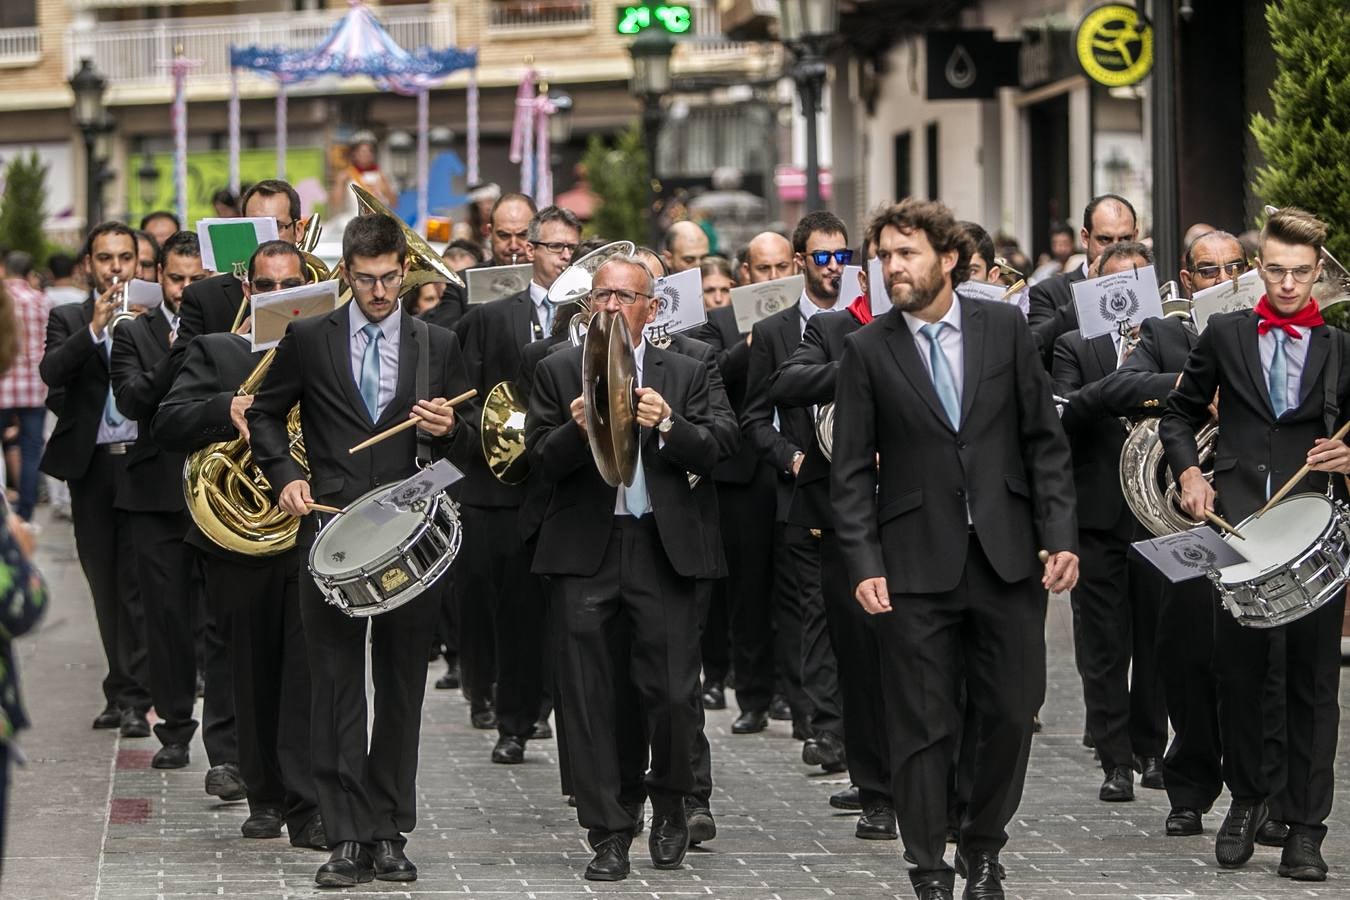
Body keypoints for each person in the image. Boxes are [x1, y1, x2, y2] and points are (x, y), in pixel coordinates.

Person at [832, 199, 1078, 900]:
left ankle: (983, 845)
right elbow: (849, 473)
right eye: (883, 256)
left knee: (1009, 711)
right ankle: (928, 865)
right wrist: (864, 563)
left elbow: (1044, 446)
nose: (891, 267)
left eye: (905, 253)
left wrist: (1059, 536)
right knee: (921, 722)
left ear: (948, 259)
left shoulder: (1003, 327)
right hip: (912, 563)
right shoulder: (867, 349)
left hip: (1006, 557)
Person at [247, 212, 475, 887]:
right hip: (331, 535)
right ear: (346, 272)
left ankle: (388, 828)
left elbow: (464, 457)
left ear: (406, 271)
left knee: (403, 687)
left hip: (410, 540)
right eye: (366, 278)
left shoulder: (436, 342)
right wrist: (287, 478)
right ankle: (345, 834)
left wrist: (450, 431)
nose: (379, 291)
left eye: (389, 278)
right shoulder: (310, 336)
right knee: (336, 686)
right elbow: (263, 410)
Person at [1079, 229, 1290, 844]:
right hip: (1192, 519)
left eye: (1232, 269)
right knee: (1187, 656)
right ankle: (1191, 788)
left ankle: (1271, 798)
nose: (1221, 280)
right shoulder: (1166, 333)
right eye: (1207, 270)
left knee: (1266, 667)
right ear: (1187, 276)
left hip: (1265, 515)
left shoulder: (1277, 332)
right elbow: (1111, 390)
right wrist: (1190, 387)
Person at [1161, 207, 1349, 882]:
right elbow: (1180, 411)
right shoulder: (1226, 333)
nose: (1290, 284)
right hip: (1237, 526)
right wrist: (1189, 472)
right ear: (1258, 269)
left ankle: (1305, 828)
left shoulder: (1342, 346)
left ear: (1318, 271)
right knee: (1238, 674)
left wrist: (1348, 455)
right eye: (1276, 271)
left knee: (1311, 683)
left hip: (1314, 529)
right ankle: (1246, 798)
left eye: (1302, 273)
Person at [525, 253, 720, 882]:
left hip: (660, 546)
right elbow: (535, 462)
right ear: (588, 306)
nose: (611, 307)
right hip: (586, 547)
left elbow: (725, 445)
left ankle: (670, 804)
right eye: (602, 296)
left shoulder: (688, 368)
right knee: (586, 696)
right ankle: (607, 829)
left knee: (670, 692)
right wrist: (576, 432)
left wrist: (670, 424)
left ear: (651, 308)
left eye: (625, 297)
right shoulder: (556, 369)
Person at [153, 239, 324, 849]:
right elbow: (166, 421)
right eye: (268, 287)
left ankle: (309, 805)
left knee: (307, 670)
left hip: (307, 531)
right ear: (249, 291)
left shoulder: (327, 351)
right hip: (237, 538)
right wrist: (229, 407)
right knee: (250, 669)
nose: (279, 297)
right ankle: (266, 795)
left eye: (292, 287)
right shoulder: (218, 350)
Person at [768, 274, 896, 841]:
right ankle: (876, 791)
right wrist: (867, 364)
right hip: (848, 517)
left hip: (924, 514)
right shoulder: (833, 327)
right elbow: (787, 383)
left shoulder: (958, 331)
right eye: (886, 260)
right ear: (866, 277)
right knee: (861, 662)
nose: (899, 269)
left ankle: (930, 781)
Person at [452, 205, 580, 759]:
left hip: (565, 484)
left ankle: (554, 709)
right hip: (502, 485)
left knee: (565, 612)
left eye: (573, 248)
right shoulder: (490, 315)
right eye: (554, 247)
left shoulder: (589, 316)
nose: (565, 257)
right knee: (510, 608)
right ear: (529, 249)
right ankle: (512, 720)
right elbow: (467, 392)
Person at [1052, 241, 1168, 803]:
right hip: (1097, 516)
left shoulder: (1172, 339)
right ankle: (1114, 757)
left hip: (1157, 518)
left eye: (1138, 281)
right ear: (1095, 286)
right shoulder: (1074, 344)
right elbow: (1068, 413)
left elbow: (1185, 403)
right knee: (1102, 646)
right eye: (1114, 282)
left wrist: (1133, 388)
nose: (1125, 294)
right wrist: (1130, 385)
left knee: (1155, 640)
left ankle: (1151, 747)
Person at [743, 211, 852, 774]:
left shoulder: (868, 320)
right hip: (805, 490)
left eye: (842, 256)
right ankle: (824, 727)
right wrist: (791, 456)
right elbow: (755, 418)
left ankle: (850, 730)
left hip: (864, 493)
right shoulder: (772, 332)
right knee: (814, 612)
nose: (834, 267)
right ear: (800, 262)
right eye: (823, 256)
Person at [39, 222, 151, 738]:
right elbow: (52, 374)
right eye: (105, 258)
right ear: (88, 264)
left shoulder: (154, 318)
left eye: (124, 258)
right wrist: (95, 331)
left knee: (136, 585)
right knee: (103, 584)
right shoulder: (68, 317)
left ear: (136, 263)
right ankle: (121, 686)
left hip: (143, 463)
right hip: (93, 468)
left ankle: (134, 695)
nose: (115, 268)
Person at [110, 230, 210, 770]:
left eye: (197, 280)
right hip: (154, 495)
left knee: (220, 618)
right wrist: (179, 354)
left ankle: (229, 741)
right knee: (166, 618)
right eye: (177, 279)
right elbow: (131, 399)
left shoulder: (229, 320)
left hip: (216, 492)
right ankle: (173, 728)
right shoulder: (135, 332)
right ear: (159, 277)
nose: (187, 290)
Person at [696, 229, 798, 739]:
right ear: (744, 276)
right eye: (764, 270)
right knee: (748, 590)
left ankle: (793, 693)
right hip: (744, 474)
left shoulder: (810, 318)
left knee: (795, 589)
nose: (774, 278)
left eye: (782, 268)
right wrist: (756, 338)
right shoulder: (719, 322)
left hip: (796, 466)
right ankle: (753, 696)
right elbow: (711, 371)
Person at [177, 179, 307, 346]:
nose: (266, 237)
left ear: (298, 230)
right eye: (256, 226)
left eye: (277, 226)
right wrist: (231, 347)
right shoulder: (203, 297)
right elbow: (182, 366)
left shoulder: (324, 291)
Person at [1028, 194, 1139, 363]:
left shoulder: (1150, 287)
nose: (1116, 249)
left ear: (1135, 236)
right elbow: (1033, 348)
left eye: (1125, 239)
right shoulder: (1048, 292)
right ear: (1085, 238)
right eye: (1105, 240)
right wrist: (1088, 293)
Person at [0, 253, 49, 520]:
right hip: (32, 388)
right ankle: (25, 515)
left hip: (2, 387)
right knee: (31, 452)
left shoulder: (3, 298)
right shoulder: (41, 301)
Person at [483, 192, 537, 267]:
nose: (513, 246)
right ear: (490, 233)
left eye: (523, 235)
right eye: (504, 235)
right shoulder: (467, 278)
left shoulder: (556, 277)